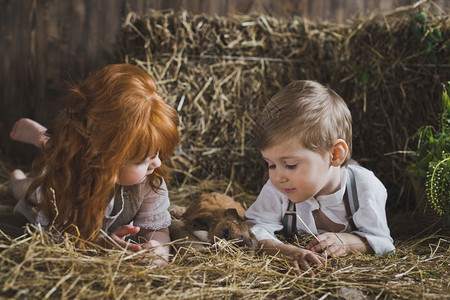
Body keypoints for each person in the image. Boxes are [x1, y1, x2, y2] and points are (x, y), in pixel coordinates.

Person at [9, 64, 179, 265]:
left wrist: (157, 251)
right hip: (52, 185)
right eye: (143, 160)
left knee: (64, 150)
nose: (157, 163)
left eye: (157, 152)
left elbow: (158, 230)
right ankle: (33, 157)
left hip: (83, 156)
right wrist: (100, 243)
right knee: (28, 188)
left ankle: (50, 141)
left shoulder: (150, 182)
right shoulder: (63, 185)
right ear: (105, 160)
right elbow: (60, 238)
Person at [245, 80, 395, 274]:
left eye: (290, 165)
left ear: (335, 154)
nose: (277, 176)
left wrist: (348, 242)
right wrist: (287, 251)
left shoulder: (364, 188)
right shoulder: (279, 188)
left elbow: (382, 241)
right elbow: (254, 228)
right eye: (270, 164)